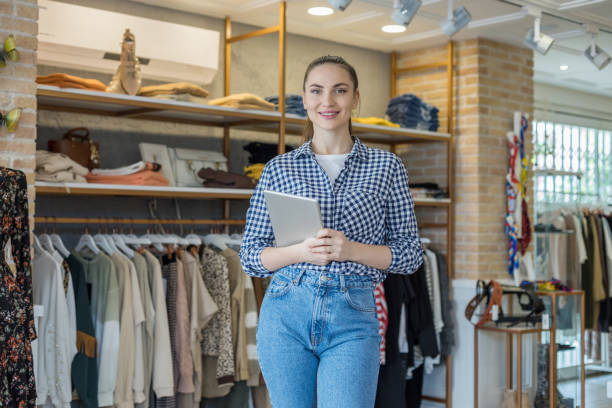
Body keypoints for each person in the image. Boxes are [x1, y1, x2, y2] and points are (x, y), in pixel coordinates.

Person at [239, 55, 423, 407]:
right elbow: (250, 256)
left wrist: (351, 249)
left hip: (353, 315)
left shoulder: (387, 167)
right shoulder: (279, 169)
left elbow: (410, 254)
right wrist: (301, 252)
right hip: (285, 313)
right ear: (305, 100)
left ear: (355, 99)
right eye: (317, 91)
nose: (328, 101)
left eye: (340, 90)